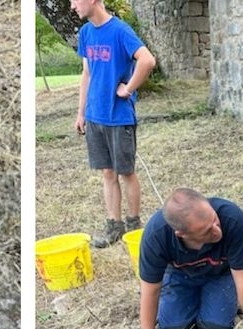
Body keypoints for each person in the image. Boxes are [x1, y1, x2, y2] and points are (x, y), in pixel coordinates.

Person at [129, 188, 243, 329]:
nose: (217, 230)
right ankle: (190, 298)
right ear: (181, 234)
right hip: (179, 275)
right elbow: (150, 289)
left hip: (219, 273)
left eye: (214, 220)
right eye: (206, 231)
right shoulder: (157, 235)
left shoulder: (232, 219)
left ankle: (211, 298)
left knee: (217, 328)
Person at [71, 0, 156, 248]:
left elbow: (147, 60)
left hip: (119, 117)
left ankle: (134, 226)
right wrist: (81, 112)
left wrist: (128, 88)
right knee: (107, 173)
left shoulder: (120, 30)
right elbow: (87, 74)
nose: (72, 6)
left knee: (126, 172)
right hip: (94, 115)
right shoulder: (86, 33)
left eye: (75, 0)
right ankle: (114, 226)